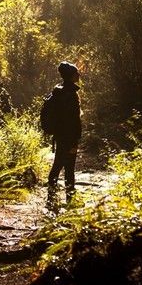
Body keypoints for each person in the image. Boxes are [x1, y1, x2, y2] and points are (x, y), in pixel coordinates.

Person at [47, 61, 82, 207]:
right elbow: (74, 121)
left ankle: (52, 197)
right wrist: (75, 141)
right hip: (69, 136)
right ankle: (69, 200)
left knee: (59, 165)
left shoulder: (58, 92)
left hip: (60, 135)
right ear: (71, 76)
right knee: (68, 168)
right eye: (76, 73)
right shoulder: (71, 95)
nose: (78, 75)